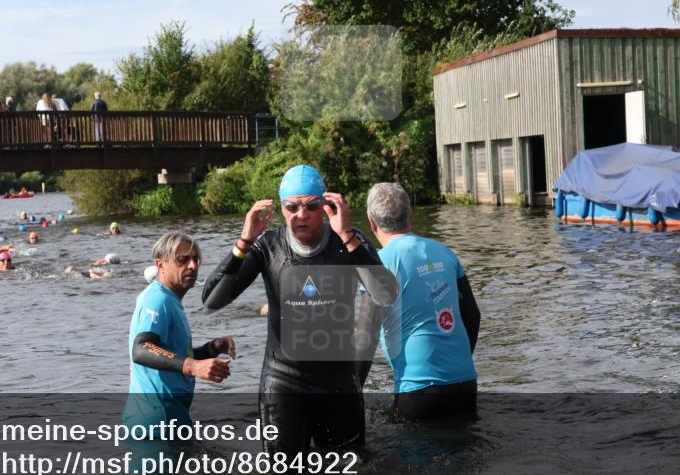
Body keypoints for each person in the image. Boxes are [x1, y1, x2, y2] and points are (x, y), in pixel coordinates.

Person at [202, 165, 397, 457]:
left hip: (338, 380)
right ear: (282, 209)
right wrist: (243, 242)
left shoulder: (347, 241)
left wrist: (346, 235)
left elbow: (386, 294)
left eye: (311, 206)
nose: (301, 215)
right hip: (283, 381)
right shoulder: (267, 246)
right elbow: (212, 301)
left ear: (326, 207)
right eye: (292, 207)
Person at [358, 182, 481, 421]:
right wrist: (457, 364)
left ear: (371, 221)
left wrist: (351, 393)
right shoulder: (445, 251)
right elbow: (473, 315)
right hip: (465, 382)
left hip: (418, 389)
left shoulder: (378, 263)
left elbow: (366, 337)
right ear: (410, 215)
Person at [124, 232, 236, 429]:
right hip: (155, 424)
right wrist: (194, 367)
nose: (193, 266)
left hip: (171, 417)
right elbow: (141, 349)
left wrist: (211, 349)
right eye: (182, 260)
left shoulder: (171, 300)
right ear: (161, 265)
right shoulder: (157, 299)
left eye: (195, 259)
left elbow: (173, 356)